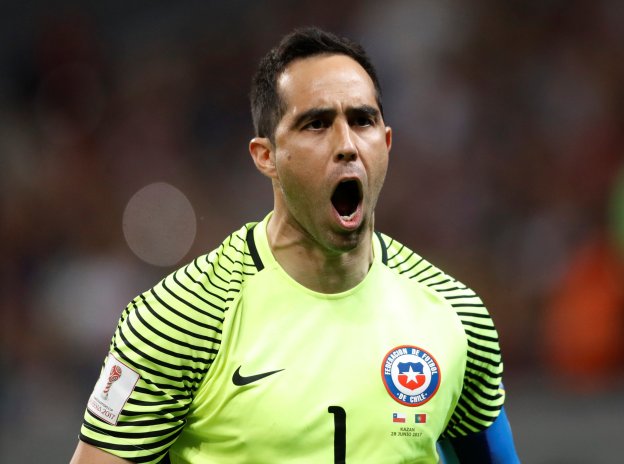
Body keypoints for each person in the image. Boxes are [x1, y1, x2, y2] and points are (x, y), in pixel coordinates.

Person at [70, 26, 519, 463]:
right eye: (316, 124)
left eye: (362, 120)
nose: (346, 145)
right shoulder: (182, 319)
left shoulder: (457, 315)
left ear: (385, 143)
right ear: (266, 157)